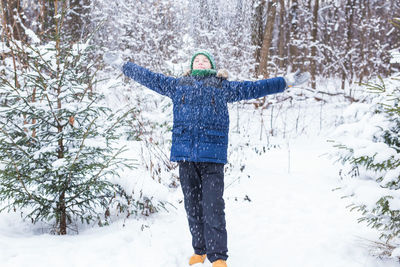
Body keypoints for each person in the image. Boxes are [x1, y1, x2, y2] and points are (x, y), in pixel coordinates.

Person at [103, 50, 309, 267]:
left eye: (205, 60)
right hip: (185, 157)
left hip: (212, 157)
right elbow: (149, 78)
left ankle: (218, 256)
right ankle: (199, 251)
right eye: (197, 60)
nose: (200, 61)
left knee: (213, 207)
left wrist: (286, 81)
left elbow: (254, 88)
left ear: (211, 65)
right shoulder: (178, 85)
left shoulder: (222, 86)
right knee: (192, 207)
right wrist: (122, 65)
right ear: (192, 66)